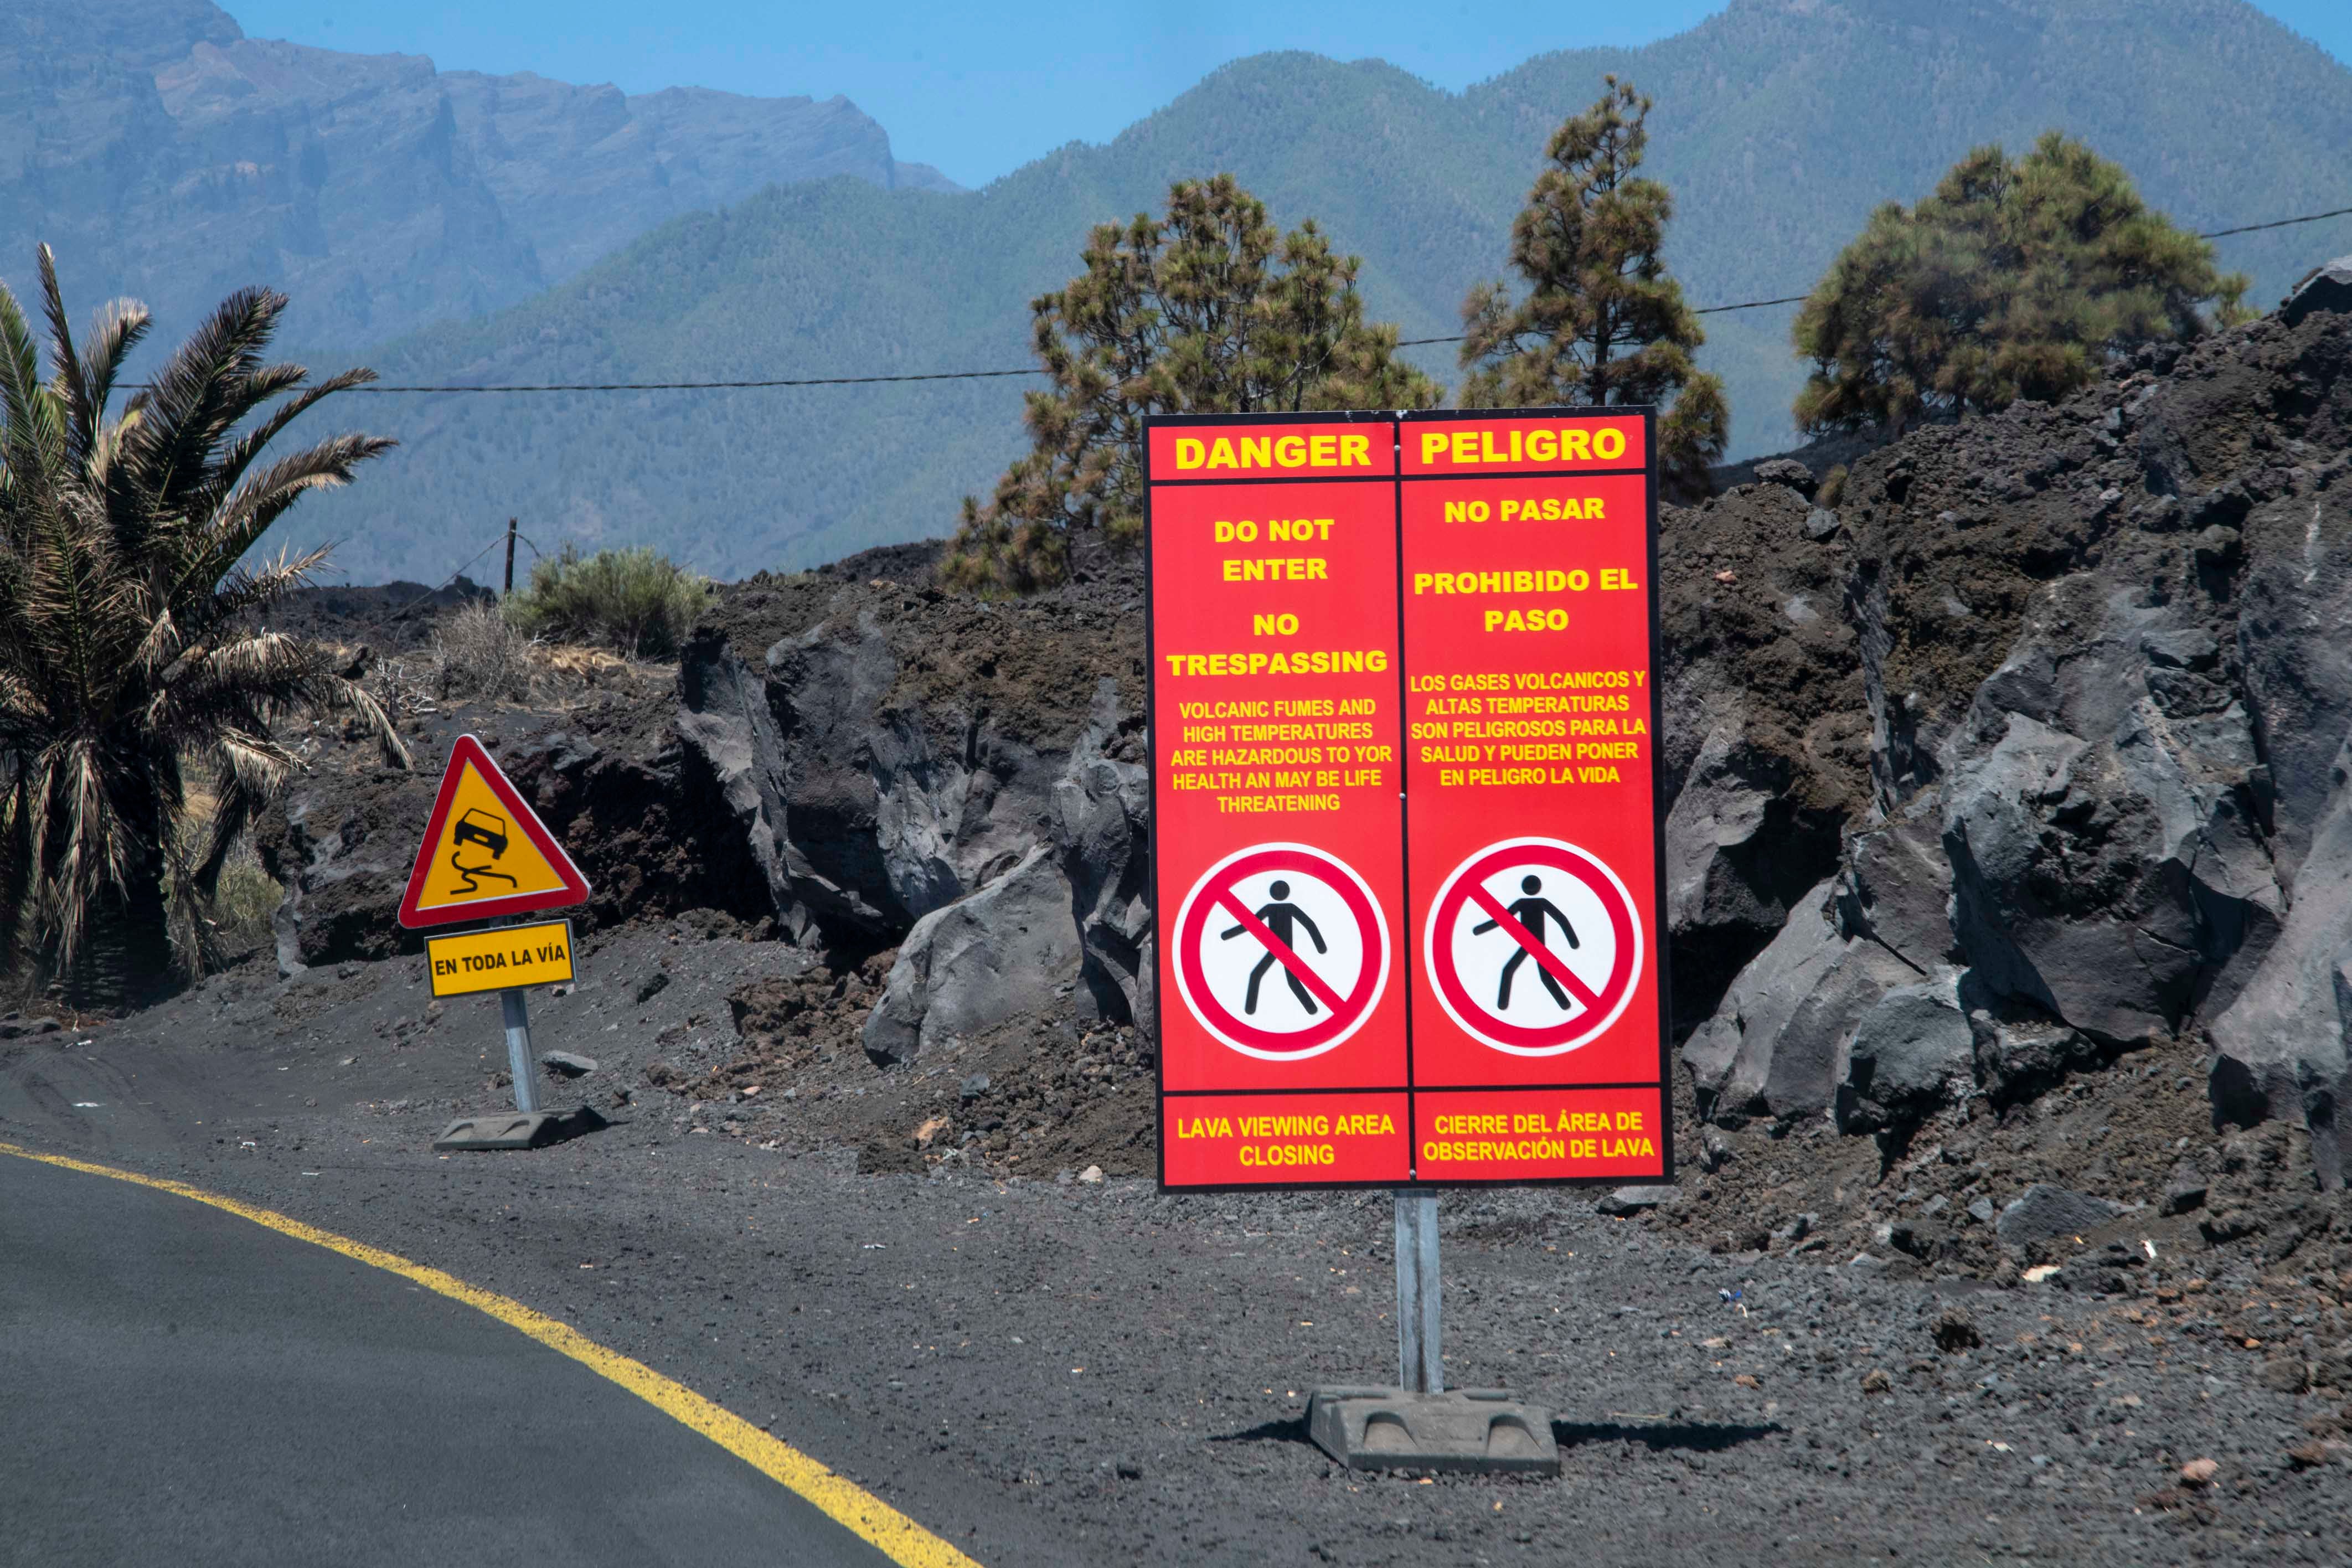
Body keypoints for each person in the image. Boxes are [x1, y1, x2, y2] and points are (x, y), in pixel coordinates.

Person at [1221, 879, 1327, 1015]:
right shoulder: (1280, 908)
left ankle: (1312, 1009)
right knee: (1286, 980)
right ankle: (1312, 1009)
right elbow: (1310, 925)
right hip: (1278, 949)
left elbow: (1248, 924)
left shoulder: (1275, 908)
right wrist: (1320, 947)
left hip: (1283, 951)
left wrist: (1320, 947)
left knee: (1262, 976)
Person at [1473, 874, 1577, 1010]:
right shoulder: (1530, 903)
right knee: (1541, 975)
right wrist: (1572, 942)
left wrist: (1479, 930)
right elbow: (1561, 919)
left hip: (1535, 945)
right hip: (1530, 944)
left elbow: (1501, 919)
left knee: (1513, 971)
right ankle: (1565, 1004)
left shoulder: (1526, 903)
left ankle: (1565, 1005)